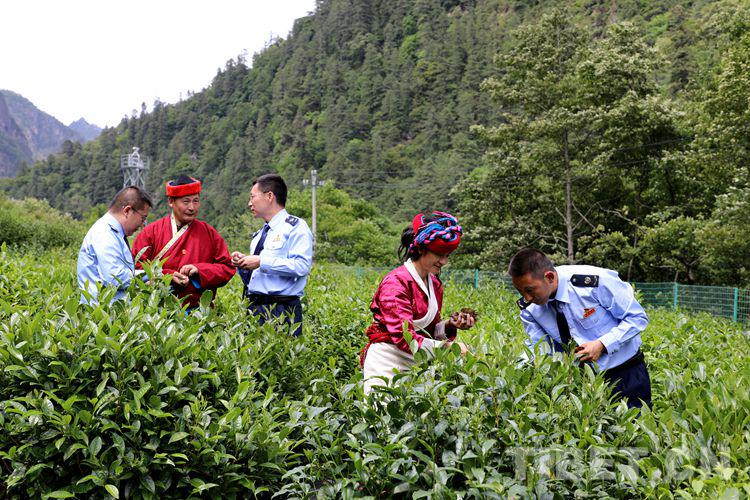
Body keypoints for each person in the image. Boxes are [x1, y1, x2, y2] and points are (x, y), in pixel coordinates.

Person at [508, 248, 652, 409]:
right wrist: (513, 372)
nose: (527, 297)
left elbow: (637, 318)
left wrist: (602, 344)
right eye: (520, 291)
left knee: (636, 422)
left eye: (529, 290)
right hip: (582, 383)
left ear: (549, 277)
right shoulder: (530, 310)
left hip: (626, 373)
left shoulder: (594, 282)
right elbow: (539, 348)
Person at [360, 211, 476, 396]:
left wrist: (449, 325)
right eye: (439, 254)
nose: (444, 261)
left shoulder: (434, 284)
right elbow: (404, 336)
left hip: (417, 364)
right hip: (387, 362)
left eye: (447, 255)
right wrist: (447, 348)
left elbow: (427, 331)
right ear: (421, 249)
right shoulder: (395, 283)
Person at [131, 175, 235, 309]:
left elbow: (227, 268)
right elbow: (136, 269)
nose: (192, 207)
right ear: (171, 201)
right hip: (159, 311)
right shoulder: (151, 232)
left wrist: (200, 271)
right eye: (186, 202)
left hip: (199, 312)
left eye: (196, 201)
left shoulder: (209, 233)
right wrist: (167, 276)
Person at [231, 173, 313, 336]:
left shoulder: (296, 227)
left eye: (252, 197)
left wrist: (262, 262)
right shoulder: (259, 235)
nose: (249, 203)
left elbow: (302, 266)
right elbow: (257, 277)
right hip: (255, 307)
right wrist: (243, 263)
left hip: (282, 309)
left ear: (269, 196)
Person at [77, 186, 153, 304]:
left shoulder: (115, 233)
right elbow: (114, 278)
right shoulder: (104, 233)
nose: (142, 224)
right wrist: (152, 274)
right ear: (127, 211)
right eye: (143, 218)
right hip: (101, 311)